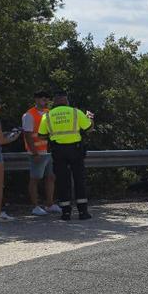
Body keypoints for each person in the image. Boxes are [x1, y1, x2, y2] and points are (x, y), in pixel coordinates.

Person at [38, 90, 93, 220]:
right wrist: (90, 118)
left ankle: (66, 213)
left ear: (54, 102)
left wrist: (54, 135)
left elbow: (41, 136)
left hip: (58, 151)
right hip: (75, 150)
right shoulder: (75, 112)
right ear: (66, 100)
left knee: (62, 181)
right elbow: (89, 129)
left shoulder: (47, 116)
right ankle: (83, 212)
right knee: (79, 179)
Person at [22, 91, 61, 216]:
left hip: (49, 151)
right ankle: (35, 206)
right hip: (37, 152)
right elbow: (27, 135)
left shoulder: (49, 113)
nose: (45, 101)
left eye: (47, 99)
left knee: (51, 177)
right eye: (43, 99)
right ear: (36, 99)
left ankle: (49, 204)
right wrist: (34, 153)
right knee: (35, 179)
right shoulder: (29, 115)